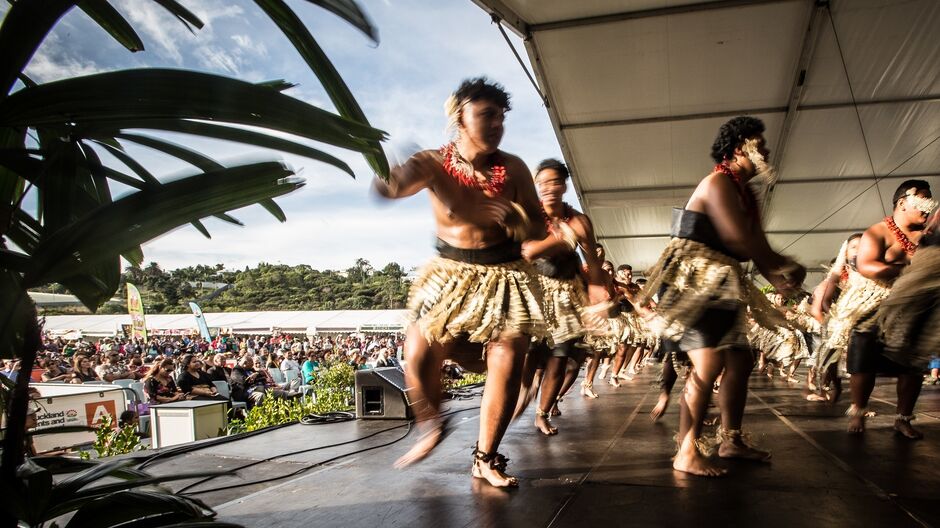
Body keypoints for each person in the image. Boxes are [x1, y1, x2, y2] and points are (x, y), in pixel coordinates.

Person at [373, 78, 549, 487]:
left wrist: (517, 218)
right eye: (487, 115)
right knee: (418, 354)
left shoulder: (514, 168)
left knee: (507, 357)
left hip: (505, 274)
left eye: (501, 117)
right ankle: (432, 424)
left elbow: (539, 227)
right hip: (449, 274)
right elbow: (392, 188)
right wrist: (386, 175)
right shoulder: (433, 162)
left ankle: (486, 458)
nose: (497, 125)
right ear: (460, 118)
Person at [638, 116, 805, 477]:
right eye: (760, 143)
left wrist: (780, 275)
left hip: (722, 280)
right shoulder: (717, 183)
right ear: (740, 147)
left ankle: (730, 441)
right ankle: (686, 452)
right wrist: (783, 264)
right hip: (693, 280)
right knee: (708, 364)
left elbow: (755, 245)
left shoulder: (746, 194)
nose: (766, 150)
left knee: (741, 361)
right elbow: (737, 240)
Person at [515, 158, 608, 436]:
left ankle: (542, 414)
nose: (548, 188)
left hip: (566, 294)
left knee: (559, 356)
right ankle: (525, 388)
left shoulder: (579, 221)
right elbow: (524, 252)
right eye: (542, 183)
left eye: (554, 182)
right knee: (528, 353)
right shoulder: (528, 215)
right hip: (533, 292)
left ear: (564, 185)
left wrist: (596, 291)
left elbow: (593, 263)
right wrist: (559, 239)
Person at [845, 180, 935, 438]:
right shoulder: (878, 232)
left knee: (912, 366)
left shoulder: (929, 236)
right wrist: (910, 270)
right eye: (923, 199)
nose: (928, 206)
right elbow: (866, 266)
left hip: (913, 305)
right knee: (863, 362)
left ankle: (903, 419)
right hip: (876, 304)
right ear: (902, 203)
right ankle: (858, 411)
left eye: (931, 200)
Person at [808, 233, 863, 402]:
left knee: (860, 363)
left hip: (863, 320)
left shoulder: (871, 270)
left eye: (862, 246)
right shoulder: (835, 277)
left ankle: (859, 403)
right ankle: (833, 388)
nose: (858, 250)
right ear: (845, 253)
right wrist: (838, 319)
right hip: (837, 320)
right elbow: (824, 302)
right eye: (853, 247)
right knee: (830, 358)